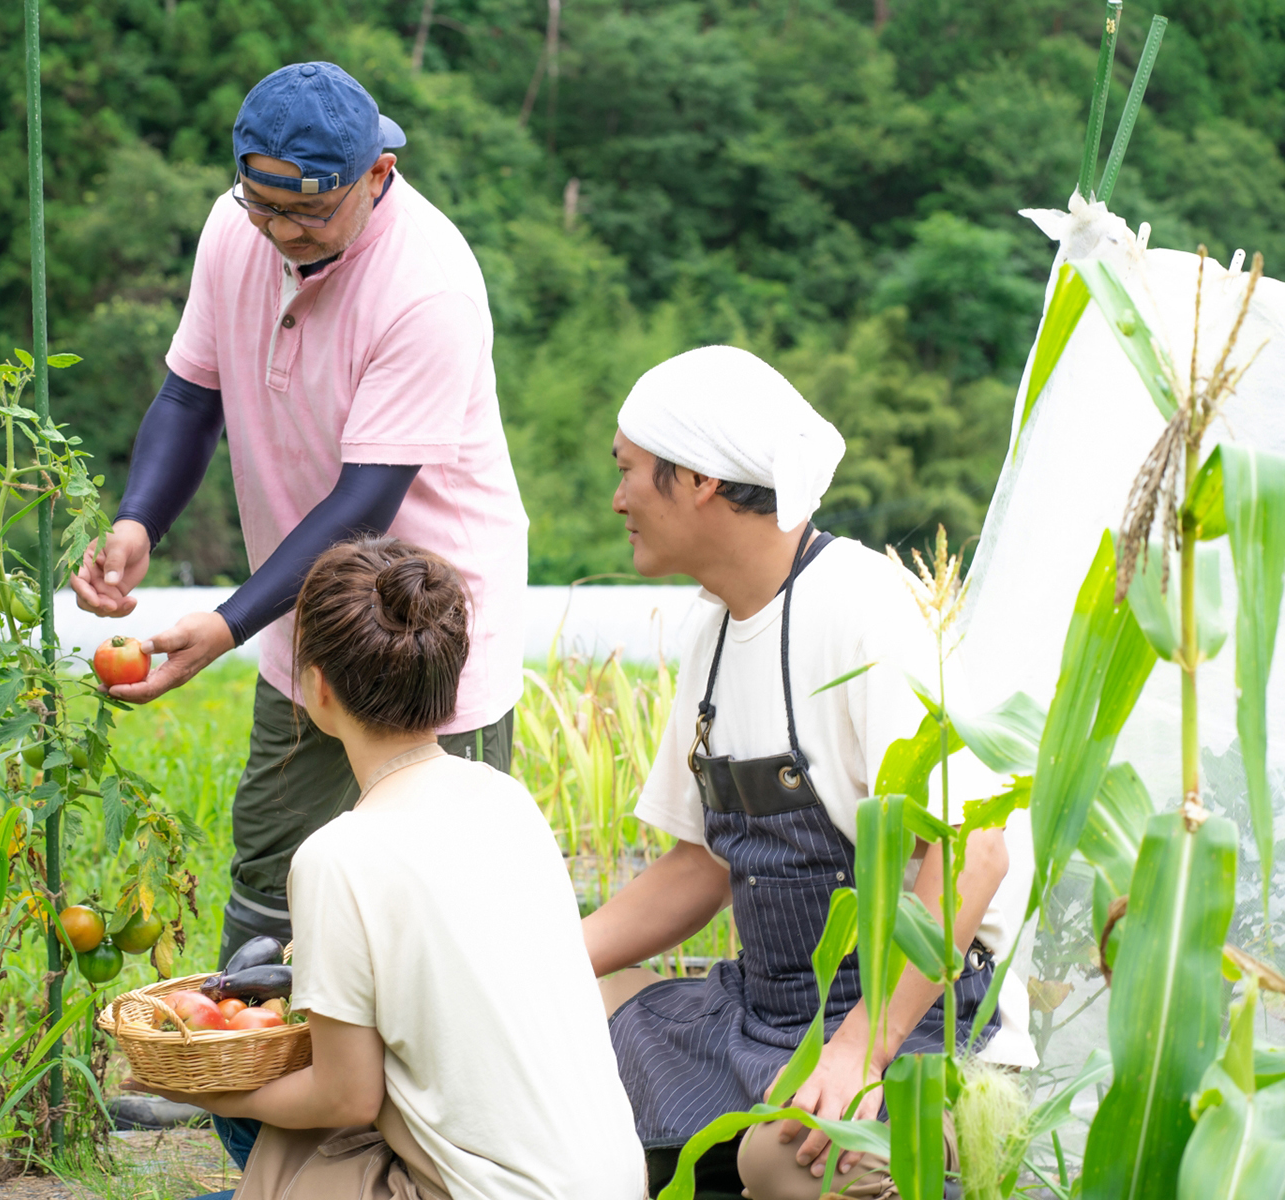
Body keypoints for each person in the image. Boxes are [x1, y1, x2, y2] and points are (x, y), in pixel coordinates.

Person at [68, 61, 527, 969]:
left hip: (428, 628)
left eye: (311, 215)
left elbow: (366, 505)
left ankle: (404, 1105)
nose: (283, 235)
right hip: (304, 619)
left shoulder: (425, 285)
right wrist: (138, 523)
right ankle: (259, 1100)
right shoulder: (236, 229)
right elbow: (191, 396)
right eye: (263, 208)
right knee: (275, 869)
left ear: (378, 176)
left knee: (434, 886)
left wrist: (230, 623)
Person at [581, 346, 1037, 1199]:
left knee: (780, 1160)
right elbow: (700, 866)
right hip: (772, 1012)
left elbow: (975, 853)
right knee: (573, 1014)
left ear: (701, 480)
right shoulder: (712, 630)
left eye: (631, 473)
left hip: (924, 1024)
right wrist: (537, 963)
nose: (618, 500)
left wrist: (866, 1044)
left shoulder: (867, 611)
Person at [156, 537, 645, 1200]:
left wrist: (218, 1091)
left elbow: (348, 1097)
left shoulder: (339, 855)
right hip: (612, 1180)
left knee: (258, 1135)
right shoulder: (506, 798)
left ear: (316, 686)